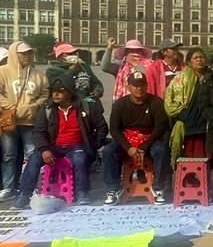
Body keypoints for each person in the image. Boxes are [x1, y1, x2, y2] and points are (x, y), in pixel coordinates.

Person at [9, 73, 108, 209]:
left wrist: (94, 145)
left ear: (70, 92)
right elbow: (39, 132)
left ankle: (82, 193)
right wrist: (44, 149)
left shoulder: (87, 106)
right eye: (53, 91)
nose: (55, 95)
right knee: (34, 159)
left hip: (77, 146)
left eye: (60, 91)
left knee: (80, 158)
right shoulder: (47, 109)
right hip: (54, 147)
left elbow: (102, 127)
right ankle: (24, 195)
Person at [102, 71, 170, 204]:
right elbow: (114, 129)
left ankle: (158, 188)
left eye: (142, 85)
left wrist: (144, 146)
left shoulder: (156, 102)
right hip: (127, 140)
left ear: (146, 86)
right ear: (129, 87)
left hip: (150, 140)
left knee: (161, 151)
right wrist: (128, 147)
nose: (139, 88)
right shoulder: (120, 104)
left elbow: (160, 128)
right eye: (135, 85)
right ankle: (113, 189)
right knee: (108, 151)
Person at [0, 41, 48, 200]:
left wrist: (34, 106)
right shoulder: (3, 72)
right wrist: (12, 107)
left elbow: (45, 93)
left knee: (33, 155)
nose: (28, 56)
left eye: (29, 52)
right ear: (15, 54)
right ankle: (9, 187)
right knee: (9, 155)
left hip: (31, 122)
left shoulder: (39, 74)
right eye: (23, 53)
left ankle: (31, 186)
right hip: (10, 121)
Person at [164, 47, 208, 164]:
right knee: (189, 159)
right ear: (189, 62)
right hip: (187, 123)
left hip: (207, 123)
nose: (199, 60)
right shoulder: (180, 79)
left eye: (201, 57)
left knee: (205, 160)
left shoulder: (211, 77)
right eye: (195, 58)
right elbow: (170, 101)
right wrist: (184, 115)